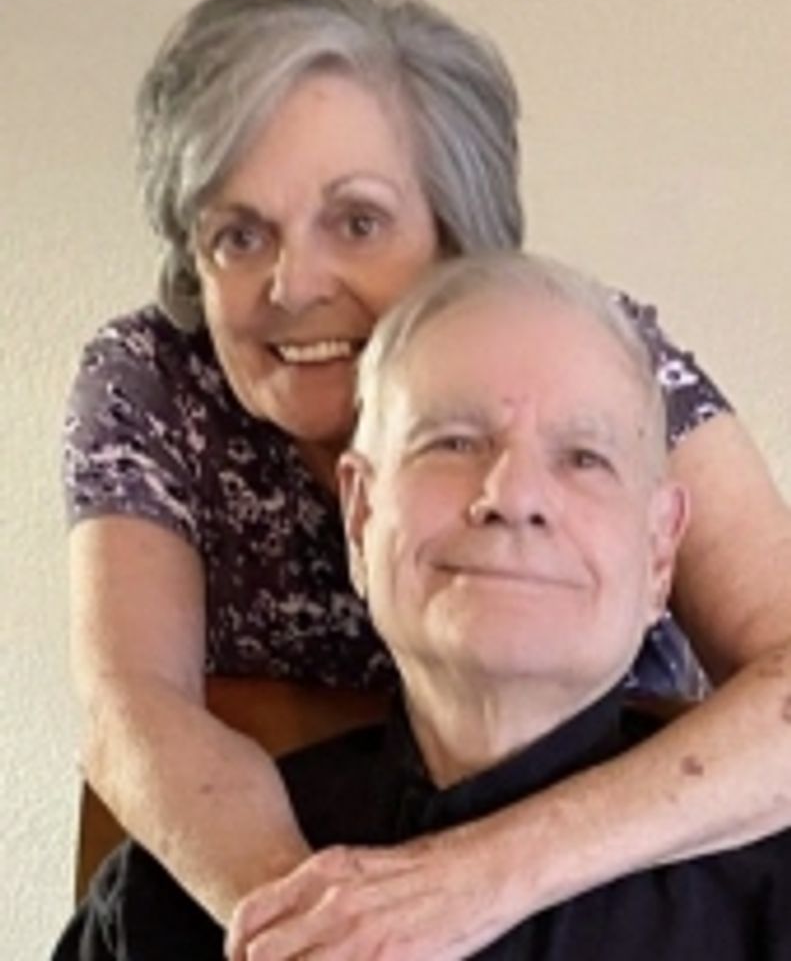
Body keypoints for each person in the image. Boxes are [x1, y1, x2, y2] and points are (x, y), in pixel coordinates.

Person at [63, 0, 791, 958]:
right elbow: (134, 710)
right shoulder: (157, 380)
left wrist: (475, 884)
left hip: (629, 849)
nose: (293, 284)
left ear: (459, 237)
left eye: (357, 221)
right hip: (300, 837)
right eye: (238, 235)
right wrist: (332, 928)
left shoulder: (585, 357)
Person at [55, 253, 791, 961]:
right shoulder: (164, 906)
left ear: (660, 551)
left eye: (584, 458)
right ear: (359, 516)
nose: (512, 496)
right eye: (453, 442)